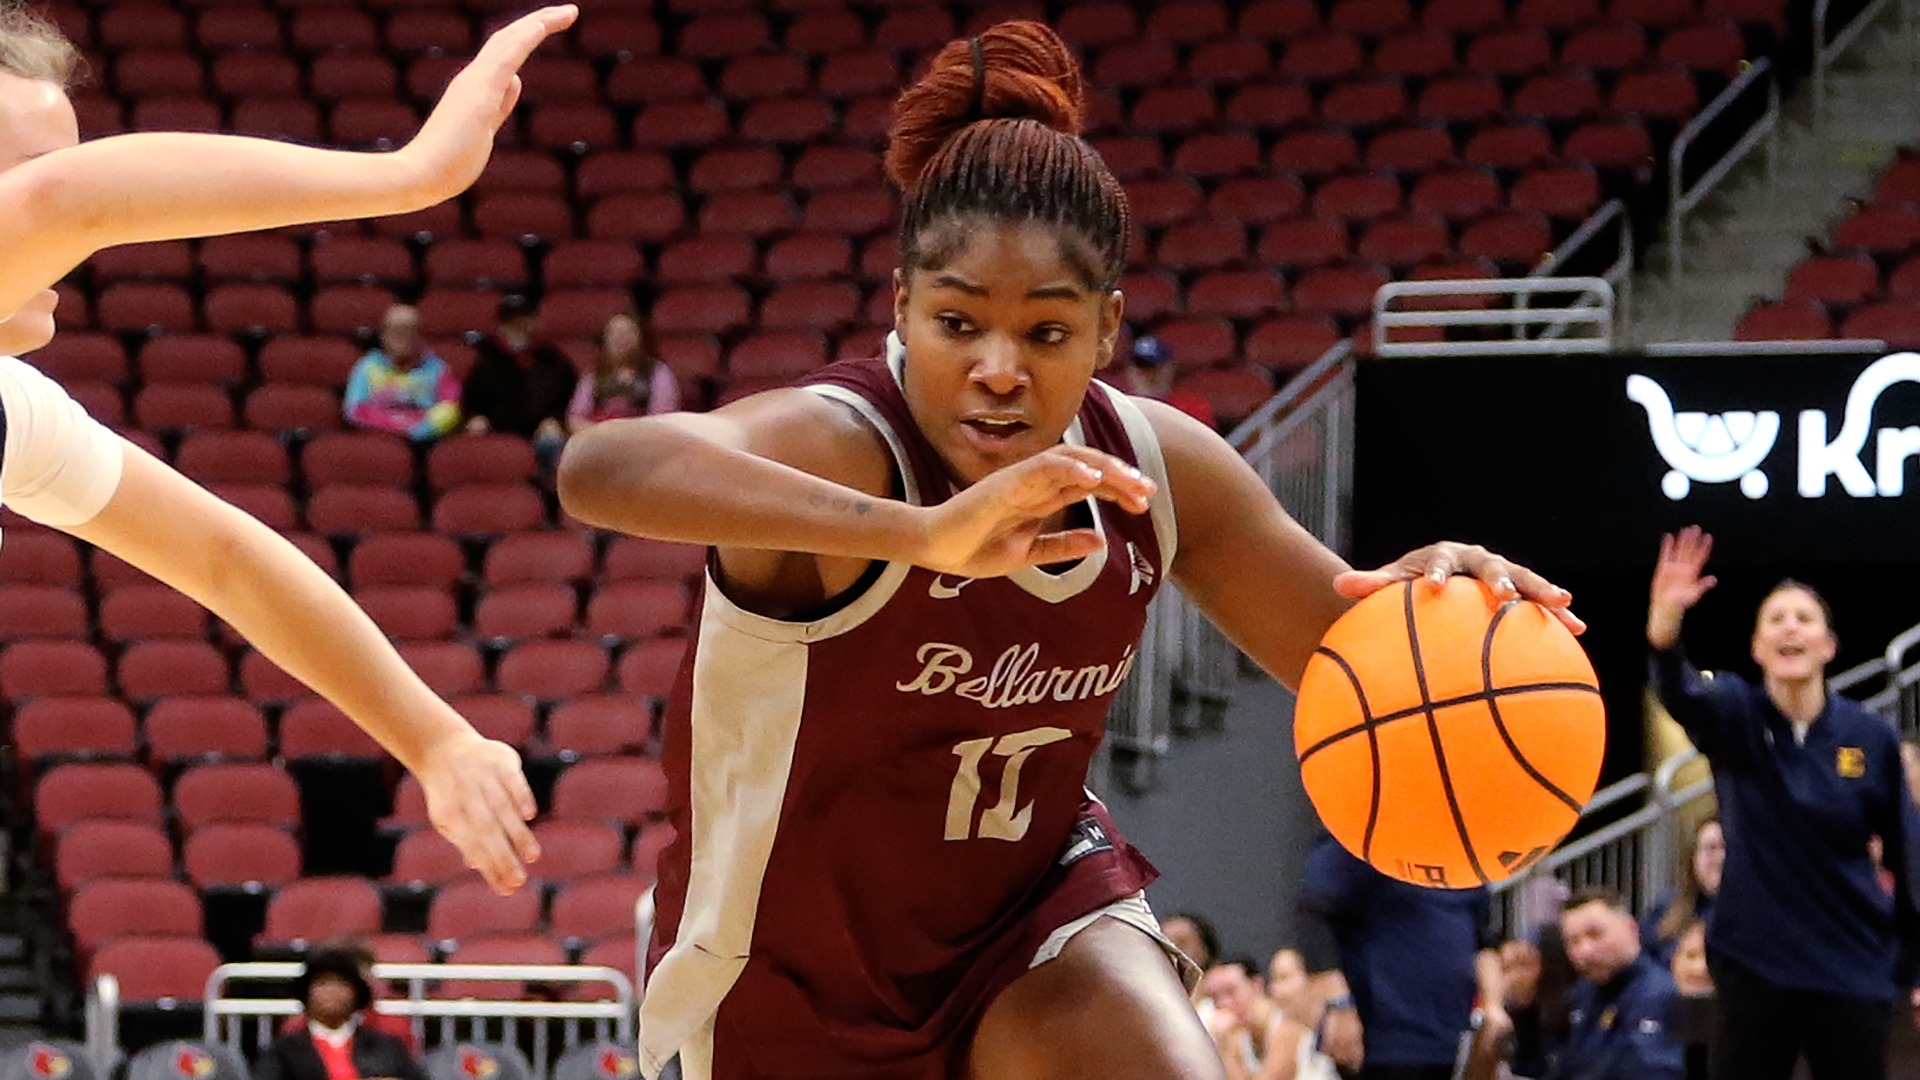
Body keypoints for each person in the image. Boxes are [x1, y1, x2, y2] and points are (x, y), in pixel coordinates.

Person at [555, 20, 1576, 1080]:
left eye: (1046, 333)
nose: (999, 368)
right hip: (783, 975)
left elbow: (1360, 668)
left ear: (1104, 328)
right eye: (959, 325)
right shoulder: (848, 445)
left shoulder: (1157, 465)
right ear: (904, 306)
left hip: (1028, 924)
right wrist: (922, 533)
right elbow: (603, 467)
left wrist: (1443, 622)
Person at [0, 1, 576, 894]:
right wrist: (411, 177)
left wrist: (435, 740)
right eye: (21, 172)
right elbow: (68, 201)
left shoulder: (15, 408)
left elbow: (230, 560)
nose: (76, 244)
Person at [1648, 526, 1920, 1079]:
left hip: (1851, 962)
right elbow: (1678, 689)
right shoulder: (1734, 714)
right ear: (1757, 647)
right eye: (1775, 619)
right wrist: (1665, 624)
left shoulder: (1870, 737)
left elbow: (1907, 856)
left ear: (1828, 645)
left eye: (1803, 619)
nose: (1789, 627)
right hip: (1754, 963)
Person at [1295, 832, 1510, 1080]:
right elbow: (1314, 915)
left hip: (1452, 1044)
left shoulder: (1462, 850)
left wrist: (1494, 1007)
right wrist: (1337, 1005)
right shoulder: (1367, 836)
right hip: (1383, 1044)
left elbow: (1484, 939)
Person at [1548, 890, 1684, 1080]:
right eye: (1573, 942)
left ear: (1631, 929)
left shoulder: (1661, 996)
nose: (1584, 951)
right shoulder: (1580, 997)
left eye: (1595, 934)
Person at [254, 945, 425, 1080]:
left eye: (341, 984)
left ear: (356, 994)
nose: (332, 992)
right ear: (306, 993)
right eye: (323, 984)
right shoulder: (283, 1052)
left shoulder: (388, 1047)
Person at [461, 293, 575, 453]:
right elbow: (470, 402)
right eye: (510, 322)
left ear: (534, 322)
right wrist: (476, 418)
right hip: (496, 429)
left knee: (553, 438)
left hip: (541, 433)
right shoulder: (486, 360)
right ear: (501, 326)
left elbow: (569, 399)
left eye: (522, 320)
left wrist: (557, 419)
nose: (516, 327)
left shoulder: (554, 360)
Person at [343, 304, 461, 441]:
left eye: (408, 331)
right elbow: (354, 410)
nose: (401, 337)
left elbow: (450, 409)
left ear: (421, 335)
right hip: (377, 439)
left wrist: (418, 430)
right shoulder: (367, 366)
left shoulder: (438, 369)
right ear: (383, 335)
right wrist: (392, 426)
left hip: (421, 442)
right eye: (394, 330)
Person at [1201, 954, 1327, 1080]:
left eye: (1231, 991)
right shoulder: (1239, 1040)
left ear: (1256, 985)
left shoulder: (1287, 1025)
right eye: (1214, 998)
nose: (1223, 1004)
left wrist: (1224, 1049)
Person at [567, 310, 679, 432]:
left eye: (627, 332)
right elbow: (576, 418)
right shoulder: (594, 375)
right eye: (614, 333)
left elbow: (662, 417)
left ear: (640, 336)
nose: (620, 338)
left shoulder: (657, 372)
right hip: (600, 438)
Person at [1640, 817, 1722, 966]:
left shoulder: (1754, 911)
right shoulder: (1667, 906)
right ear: (1693, 858)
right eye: (1711, 849)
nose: (1719, 858)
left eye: (1726, 849)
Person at [1116, 334, 1215, 429]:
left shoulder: (1193, 407)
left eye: (1153, 368)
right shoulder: (1118, 406)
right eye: (1140, 367)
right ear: (1129, 371)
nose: (1147, 375)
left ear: (1169, 369)